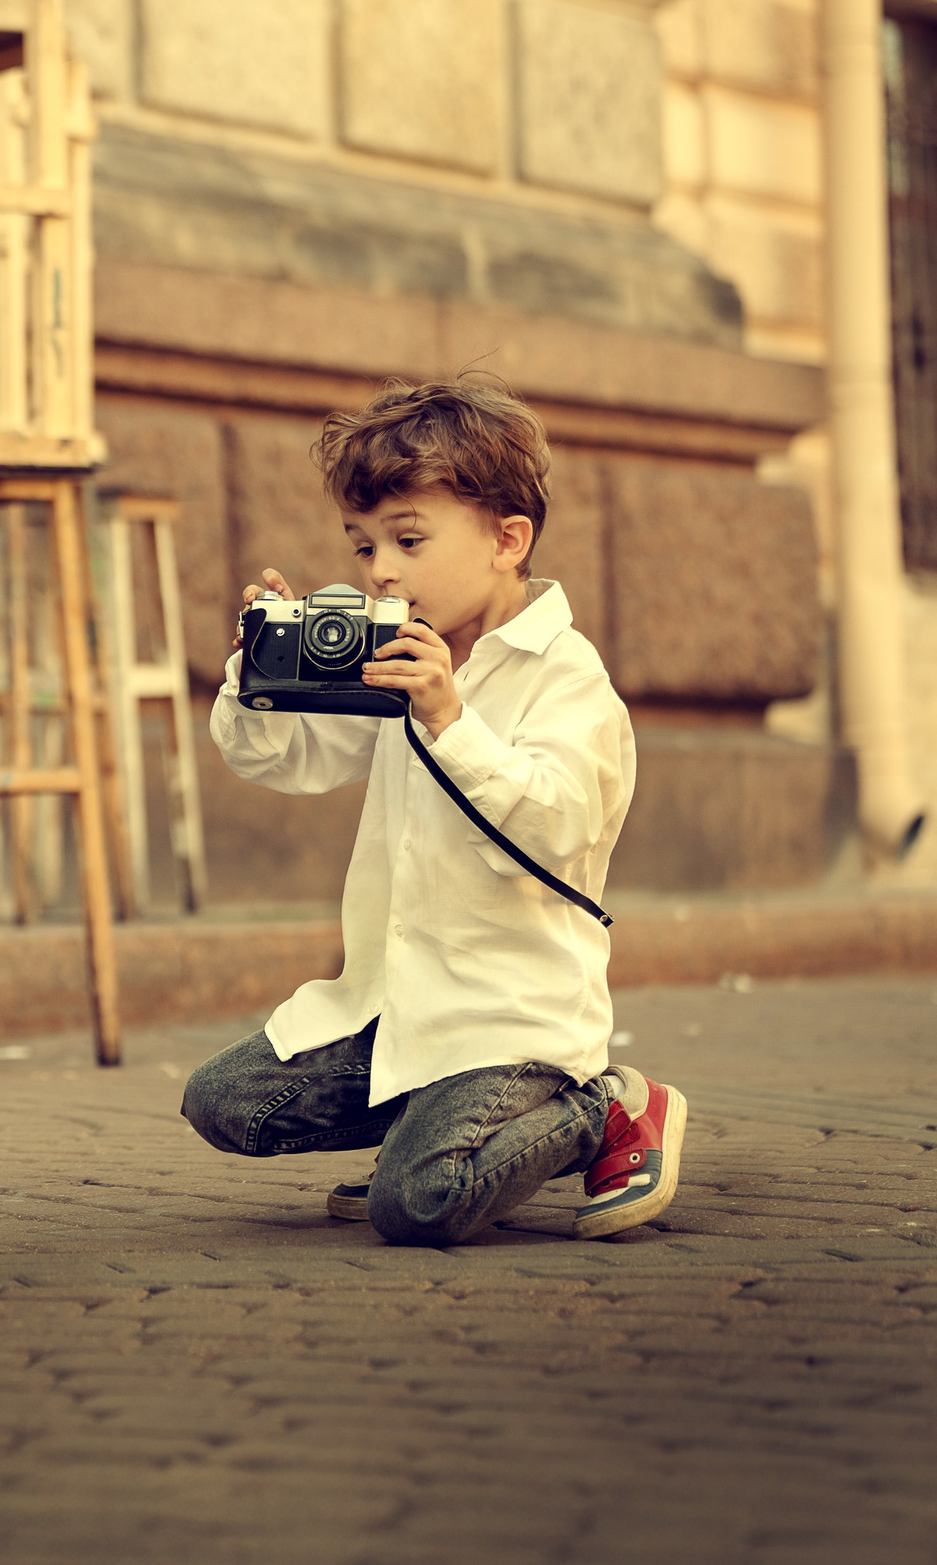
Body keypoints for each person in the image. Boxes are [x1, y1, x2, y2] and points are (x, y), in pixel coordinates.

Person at [179, 378, 684, 1245]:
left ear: (506, 538)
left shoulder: (567, 678)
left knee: (417, 1203)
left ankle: (603, 1105)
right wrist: (259, 678)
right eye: (364, 545)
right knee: (223, 1102)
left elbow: (559, 826)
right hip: (398, 1006)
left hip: (512, 1022)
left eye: (408, 540)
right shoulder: (397, 654)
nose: (379, 570)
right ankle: (430, 1116)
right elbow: (286, 760)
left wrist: (450, 720)